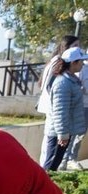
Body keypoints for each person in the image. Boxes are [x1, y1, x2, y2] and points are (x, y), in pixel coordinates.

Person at [36, 35, 80, 166]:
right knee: (50, 157)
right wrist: (63, 133)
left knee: (51, 155)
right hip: (54, 114)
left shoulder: (65, 72)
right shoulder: (59, 65)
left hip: (56, 114)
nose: (78, 49)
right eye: (75, 46)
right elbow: (59, 103)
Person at [43, 47, 88, 171]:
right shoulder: (63, 83)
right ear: (73, 63)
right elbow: (60, 111)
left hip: (64, 131)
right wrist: (62, 134)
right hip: (59, 133)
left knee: (54, 165)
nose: (83, 64)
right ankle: (40, 188)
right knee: (50, 166)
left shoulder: (71, 80)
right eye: (81, 62)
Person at [62, 58, 88, 170]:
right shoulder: (82, 68)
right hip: (81, 106)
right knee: (74, 134)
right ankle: (67, 159)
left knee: (81, 134)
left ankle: (72, 157)